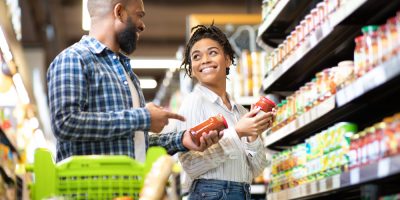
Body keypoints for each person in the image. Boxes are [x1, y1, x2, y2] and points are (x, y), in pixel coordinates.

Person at [46, 0, 223, 162]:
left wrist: (182, 139)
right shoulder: (73, 59)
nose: (142, 25)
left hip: (129, 190)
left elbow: (135, 143)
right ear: (120, 12)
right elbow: (65, 123)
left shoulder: (128, 75)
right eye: (139, 15)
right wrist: (143, 117)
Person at [176, 24, 275, 200]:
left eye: (212, 53)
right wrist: (237, 132)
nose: (205, 60)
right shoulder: (193, 103)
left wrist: (253, 134)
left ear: (228, 59)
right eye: (196, 56)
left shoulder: (240, 111)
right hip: (210, 193)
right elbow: (190, 165)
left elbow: (256, 169)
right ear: (192, 68)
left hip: (242, 193)